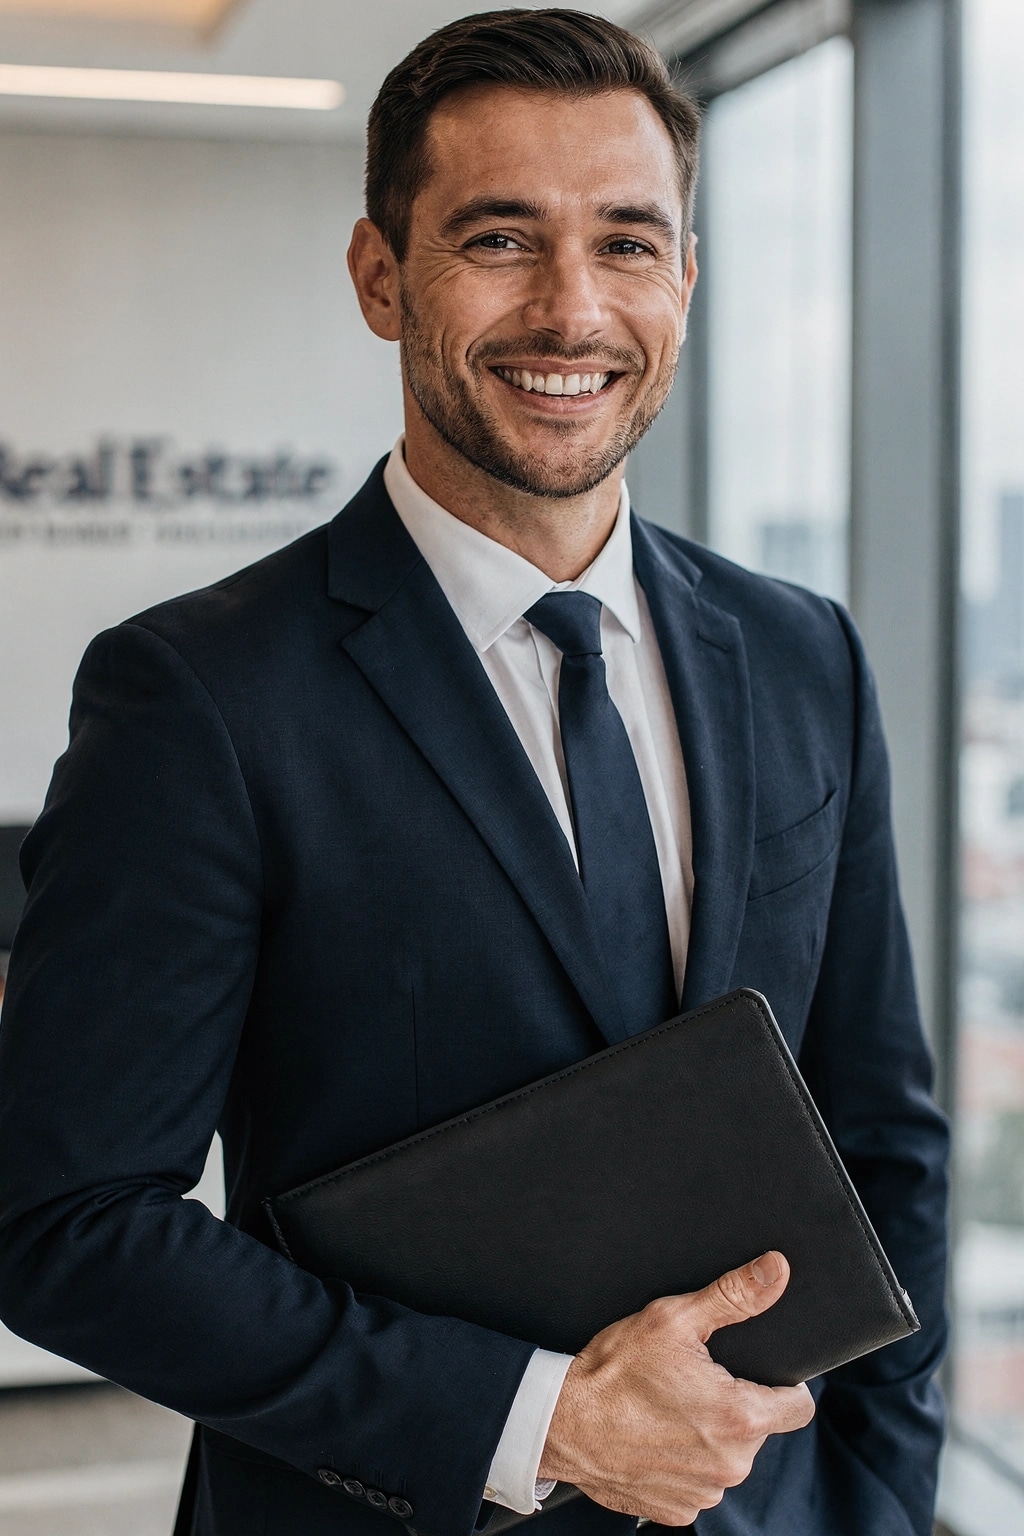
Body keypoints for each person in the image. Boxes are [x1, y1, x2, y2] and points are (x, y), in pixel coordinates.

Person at [0, 11, 948, 1536]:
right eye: (500, 239)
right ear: (384, 277)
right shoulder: (199, 694)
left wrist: (883, 1504)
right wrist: (543, 1424)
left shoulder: (802, 655)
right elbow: (65, 1224)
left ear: (687, 283)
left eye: (629, 244)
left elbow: (883, 1136)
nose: (572, 311)